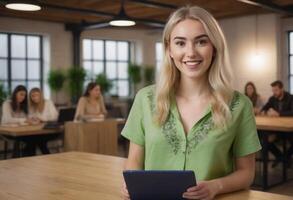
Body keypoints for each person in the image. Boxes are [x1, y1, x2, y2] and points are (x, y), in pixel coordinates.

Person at [121, 6, 261, 200]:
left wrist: (215, 186)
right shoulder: (145, 99)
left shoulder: (239, 105)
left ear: (214, 47)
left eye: (201, 41)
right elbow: (133, 162)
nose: (191, 52)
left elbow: (247, 173)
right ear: (169, 49)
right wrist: (131, 184)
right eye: (180, 43)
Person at [260, 80, 293, 167]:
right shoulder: (272, 99)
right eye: (273, 90)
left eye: (276, 90)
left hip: (288, 129)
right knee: (264, 141)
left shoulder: (290, 98)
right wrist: (263, 112)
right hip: (276, 129)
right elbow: (264, 108)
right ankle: (281, 157)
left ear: (282, 89)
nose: (274, 92)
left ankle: (284, 158)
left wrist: (279, 114)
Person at [26, 87, 59, 155]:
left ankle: (31, 158)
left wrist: (41, 119)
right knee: (32, 140)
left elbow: (54, 117)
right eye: (32, 96)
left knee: (35, 140)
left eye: (37, 95)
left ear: (41, 95)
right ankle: (45, 157)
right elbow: (30, 117)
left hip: (49, 130)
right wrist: (31, 120)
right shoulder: (31, 106)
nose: (35, 97)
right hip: (37, 131)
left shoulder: (48, 102)